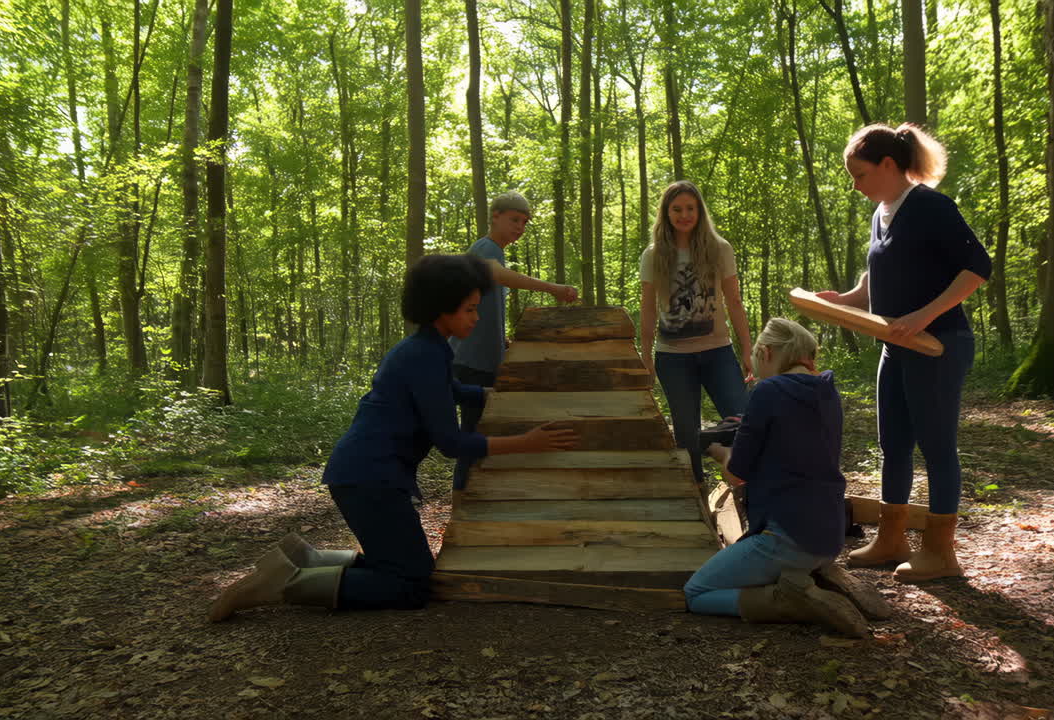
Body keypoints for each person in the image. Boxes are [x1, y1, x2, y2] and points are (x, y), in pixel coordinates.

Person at [209, 254, 578, 621]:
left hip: (366, 474)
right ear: (440, 308)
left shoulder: (425, 348)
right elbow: (451, 443)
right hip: (369, 478)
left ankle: (306, 559)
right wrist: (526, 443)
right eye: (469, 309)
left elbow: (456, 391)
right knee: (411, 584)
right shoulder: (424, 356)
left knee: (398, 565)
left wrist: (511, 394)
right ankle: (286, 583)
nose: (476, 318)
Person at [815, 123, 991, 582]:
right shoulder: (882, 213)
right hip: (894, 347)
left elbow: (977, 267)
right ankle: (891, 539)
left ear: (889, 165)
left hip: (938, 346)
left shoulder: (931, 206)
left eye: (860, 174)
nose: (855, 186)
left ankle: (940, 552)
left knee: (937, 448)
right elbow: (880, 280)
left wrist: (924, 316)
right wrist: (845, 299)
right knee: (892, 444)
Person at [683, 318, 867, 636]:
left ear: (766, 352)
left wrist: (718, 450)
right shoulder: (828, 392)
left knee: (695, 592)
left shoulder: (768, 391)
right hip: (829, 535)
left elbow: (736, 474)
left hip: (786, 539)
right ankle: (811, 577)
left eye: (757, 361)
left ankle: (783, 600)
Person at [450, 191, 579, 489]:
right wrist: (553, 288)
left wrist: (502, 340)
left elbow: (484, 305)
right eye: (514, 219)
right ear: (495, 216)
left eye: (524, 222)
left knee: (486, 429)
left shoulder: (494, 251)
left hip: (484, 359)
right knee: (472, 433)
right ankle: (464, 498)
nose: (520, 227)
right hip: (470, 361)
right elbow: (497, 275)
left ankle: (482, 493)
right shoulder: (485, 248)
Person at [639, 180, 755, 484]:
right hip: (673, 357)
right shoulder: (653, 255)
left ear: (700, 211)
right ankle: (696, 493)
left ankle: (746, 487)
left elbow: (734, 302)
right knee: (686, 433)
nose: (684, 215)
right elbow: (648, 309)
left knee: (744, 423)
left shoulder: (719, 249)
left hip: (718, 352)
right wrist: (645, 356)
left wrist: (747, 349)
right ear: (666, 213)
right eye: (677, 209)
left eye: (690, 208)